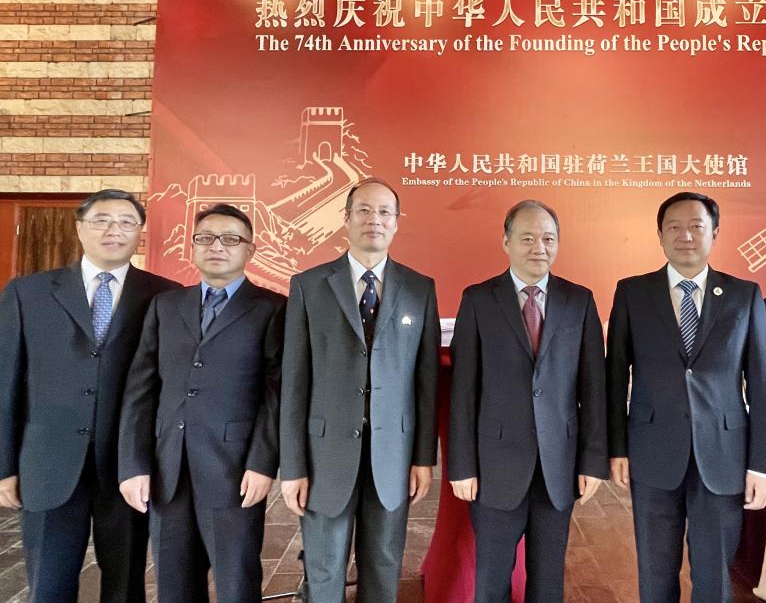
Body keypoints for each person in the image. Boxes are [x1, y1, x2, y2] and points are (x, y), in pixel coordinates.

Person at [0, 189, 180, 602]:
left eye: (126, 222)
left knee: (125, 583)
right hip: (48, 463)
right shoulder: (28, 293)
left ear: (140, 232)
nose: (114, 230)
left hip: (129, 465)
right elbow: (6, 384)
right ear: (80, 228)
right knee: (48, 584)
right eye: (101, 220)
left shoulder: (166, 296)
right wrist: (4, 466)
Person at [606, 191, 766, 603]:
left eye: (696, 227)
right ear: (660, 235)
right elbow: (614, 377)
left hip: (723, 454)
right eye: (674, 227)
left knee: (714, 576)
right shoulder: (633, 292)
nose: (685, 236)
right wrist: (617, 448)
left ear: (714, 233)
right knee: (655, 572)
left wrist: (762, 465)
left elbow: (762, 383)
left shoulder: (744, 295)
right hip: (652, 451)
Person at [279, 177, 440, 603]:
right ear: (346, 218)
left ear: (397, 222)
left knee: (384, 564)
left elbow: (425, 383)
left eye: (385, 212)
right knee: (324, 567)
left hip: (393, 454)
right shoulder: (309, 285)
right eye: (364, 210)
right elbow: (294, 382)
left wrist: (423, 457)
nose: (375, 219)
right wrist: (292, 466)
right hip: (325, 454)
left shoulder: (420, 289)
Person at [117, 203, 285, 603]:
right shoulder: (166, 306)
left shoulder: (273, 308)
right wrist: (133, 464)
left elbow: (277, 393)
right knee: (174, 584)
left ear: (250, 249)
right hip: (168, 468)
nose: (217, 246)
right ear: (192, 246)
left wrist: (263, 463)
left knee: (236, 582)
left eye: (230, 239)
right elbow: (141, 389)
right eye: (205, 238)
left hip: (234, 471)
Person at [448, 199, 607, 603]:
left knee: (548, 582)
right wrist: (462, 466)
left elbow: (593, 388)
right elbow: (464, 390)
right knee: (492, 582)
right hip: (495, 468)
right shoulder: (479, 299)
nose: (540, 247)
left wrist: (592, 461)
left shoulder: (579, 300)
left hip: (559, 467)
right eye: (528, 238)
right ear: (506, 242)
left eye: (549, 239)